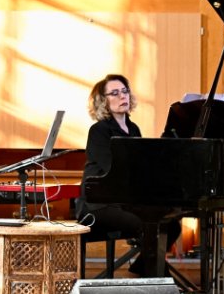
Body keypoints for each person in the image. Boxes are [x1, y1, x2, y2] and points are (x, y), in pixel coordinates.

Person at [78, 73, 181, 276]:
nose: (122, 96)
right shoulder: (99, 131)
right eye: (114, 93)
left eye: (125, 91)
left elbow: (139, 167)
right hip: (98, 206)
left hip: (124, 202)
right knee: (148, 224)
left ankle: (143, 269)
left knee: (172, 225)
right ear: (103, 100)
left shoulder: (133, 129)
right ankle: (159, 280)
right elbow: (112, 169)